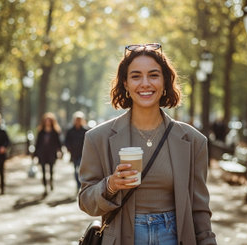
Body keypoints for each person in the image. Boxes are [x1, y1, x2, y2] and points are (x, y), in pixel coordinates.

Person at [78, 43, 217, 245]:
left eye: (153, 75)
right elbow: (86, 201)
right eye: (136, 76)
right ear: (125, 83)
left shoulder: (193, 140)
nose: (145, 83)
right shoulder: (97, 138)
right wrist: (111, 185)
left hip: (175, 236)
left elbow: (200, 209)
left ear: (165, 82)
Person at [33, 112, 62, 196]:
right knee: (43, 170)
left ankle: (51, 182)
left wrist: (60, 151)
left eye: (49, 120)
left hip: (52, 154)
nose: (47, 122)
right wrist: (35, 154)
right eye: (46, 120)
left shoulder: (55, 131)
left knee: (51, 170)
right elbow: (37, 143)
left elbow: (58, 142)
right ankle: (45, 186)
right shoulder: (41, 131)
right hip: (42, 154)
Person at [65, 111, 88, 191]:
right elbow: (66, 141)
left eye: (79, 119)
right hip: (74, 154)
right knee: (75, 171)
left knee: (81, 170)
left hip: (83, 154)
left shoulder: (85, 131)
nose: (78, 121)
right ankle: (78, 185)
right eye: (77, 119)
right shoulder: (70, 131)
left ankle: (81, 185)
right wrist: (69, 149)